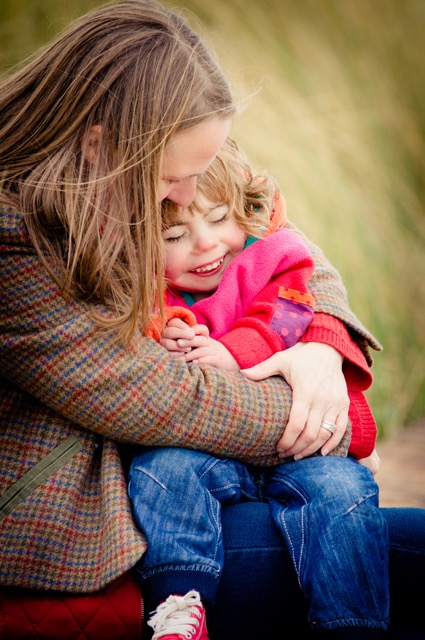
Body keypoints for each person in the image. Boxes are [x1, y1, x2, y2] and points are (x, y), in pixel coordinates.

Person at [0, 2, 424, 640]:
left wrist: (321, 348)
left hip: (181, 486)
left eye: (200, 179)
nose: (188, 204)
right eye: (174, 181)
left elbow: (283, 247)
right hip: (88, 540)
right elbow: (168, 398)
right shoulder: (16, 242)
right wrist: (331, 421)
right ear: (97, 145)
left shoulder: (118, 187)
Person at [128, 138, 387, 639]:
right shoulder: (144, 288)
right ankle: (181, 609)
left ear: (246, 211)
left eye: (220, 217)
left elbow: (292, 311)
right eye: (175, 235)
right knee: (161, 472)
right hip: (210, 451)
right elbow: (143, 330)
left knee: (344, 493)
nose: (205, 244)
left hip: (301, 449)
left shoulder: (270, 256)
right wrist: (171, 331)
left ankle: (351, 622)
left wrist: (232, 353)